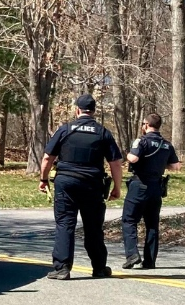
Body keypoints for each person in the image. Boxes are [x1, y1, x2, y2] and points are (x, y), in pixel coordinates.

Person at [38, 94, 123, 280]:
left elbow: (47, 158)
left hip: (66, 183)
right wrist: (117, 187)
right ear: (93, 111)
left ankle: (62, 268)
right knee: (93, 227)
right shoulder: (103, 133)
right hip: (92, 184)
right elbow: (116, 163)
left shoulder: (65, 130)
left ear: (77, 110)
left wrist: (43, 179)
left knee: (65, 224)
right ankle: (99, 268)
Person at [121, 112, 181, 270]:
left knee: (129, 220)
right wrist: (159, 163)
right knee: (152, 224)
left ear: (146, 125)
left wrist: (127, 154)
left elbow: (133, 159)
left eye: (143, 124)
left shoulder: (141, 141)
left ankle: (132, 254)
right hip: (156, 187)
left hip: (139, 185)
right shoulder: (167, 144)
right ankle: (150, 261)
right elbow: (176, 166)